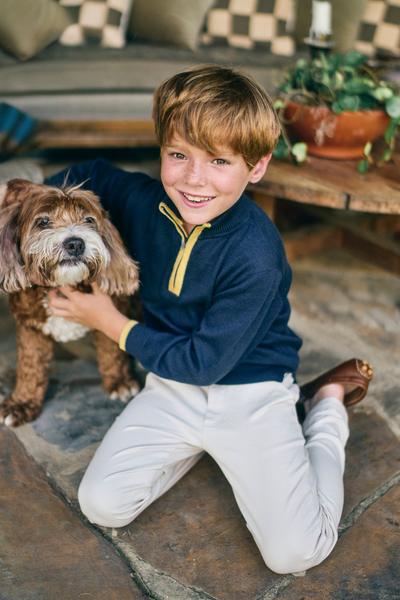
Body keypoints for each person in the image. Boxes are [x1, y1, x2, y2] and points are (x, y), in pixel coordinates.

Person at [46, 65, 372, 575]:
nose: (194, 179)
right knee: (102, 503)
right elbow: (88, 172)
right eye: (179, 155)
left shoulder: (257, 253)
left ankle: (325, 405)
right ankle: (201, 446)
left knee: (294, 554)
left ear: (257, 166)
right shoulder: (142, 200)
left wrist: (106, 320)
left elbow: (203, 362)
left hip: (251, 388)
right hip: (172, 385)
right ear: (162, 151)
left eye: (219, 161)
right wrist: (15, 196)